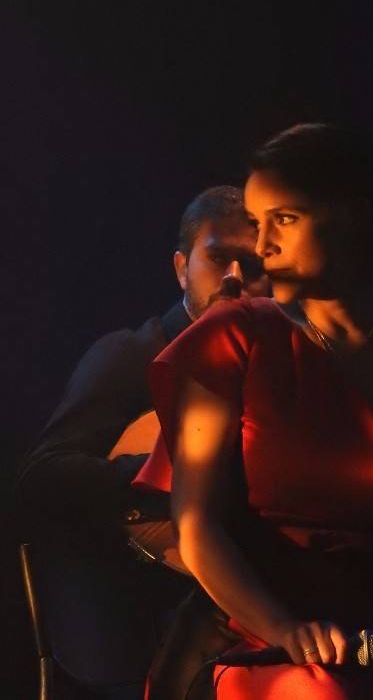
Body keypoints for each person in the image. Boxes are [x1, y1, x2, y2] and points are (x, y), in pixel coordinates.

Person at [136, 124, 373, 699]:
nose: (262, 247)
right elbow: (196, 524)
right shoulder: (234, 336)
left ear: (351, 218)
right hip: (250, 636)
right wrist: (285, 628)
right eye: (257, 223)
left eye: (284, 219)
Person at [16, 186, 270, 700]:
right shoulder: (131, 356)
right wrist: (169, 475)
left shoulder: (277, 373)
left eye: (252, 265)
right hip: (136, 624)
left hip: (247, 616)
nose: (233, 278)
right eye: (217, 257)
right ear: (181, 269)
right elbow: (40, 480)